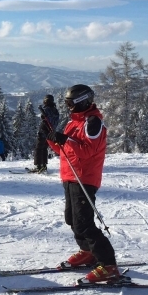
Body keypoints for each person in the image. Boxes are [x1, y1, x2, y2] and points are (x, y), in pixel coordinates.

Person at [46, 84, 119, 283]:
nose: (68, 107)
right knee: (72, 218)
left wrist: (65, 140)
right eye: (66, 103)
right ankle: (88, 251)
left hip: (84, 178)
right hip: (70, 176)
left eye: (70, 103)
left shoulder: (92, 122)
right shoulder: (75, 122)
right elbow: (64, 150)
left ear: (82, 101)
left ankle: (108, 264)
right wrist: (51, 138)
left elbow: (88, 150)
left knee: (84, 223)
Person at [31, 94, 59, 173]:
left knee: (39, 148)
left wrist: (44, 118)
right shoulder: (55, 110)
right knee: (44, 148)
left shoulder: (46, 109)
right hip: (50, 133)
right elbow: (55, 121)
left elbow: (45, 120)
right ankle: (44, 165)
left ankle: (39, 166)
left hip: (44, 131)